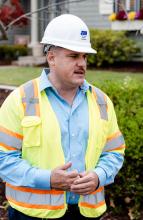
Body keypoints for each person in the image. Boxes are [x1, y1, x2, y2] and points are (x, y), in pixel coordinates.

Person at [0, 14, 125, 220]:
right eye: (73, 56)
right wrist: (48, 179)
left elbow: (114, 152)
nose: (82, 63)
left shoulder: (101, 101)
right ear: (51, 58)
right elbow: (3, 157)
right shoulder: (21, 99)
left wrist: (98, 176)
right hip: (31, 214)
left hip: (86, 213)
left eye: (84, 56)